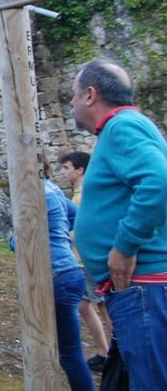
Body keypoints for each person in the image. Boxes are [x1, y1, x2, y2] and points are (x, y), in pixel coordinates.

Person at [71, 59, 167, 389]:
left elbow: (158, 180)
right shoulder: (126, 126)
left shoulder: (121, 126)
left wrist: (124, 247)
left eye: (74, 94)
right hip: (143, 288)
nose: (71, 102)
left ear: (90, 95)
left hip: (143, 286)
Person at [9, 163, 94, 390]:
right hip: (70, 270)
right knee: (71, 350)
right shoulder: (53, 189)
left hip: (53, 274)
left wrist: (12, 241)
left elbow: (22, 240)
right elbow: (77, 216)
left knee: (65, 352)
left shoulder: (34, 194)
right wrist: (61, 235)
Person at [58, 151, 111, 371]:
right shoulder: (82, 194)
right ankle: (109, 350)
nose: (63, 172)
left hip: (84, 259)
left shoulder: (83, 196)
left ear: (80, 170)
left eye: (67, 168)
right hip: (86, 257)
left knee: (87, 305)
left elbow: (83, 228)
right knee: (100, 306)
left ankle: (104, 351)